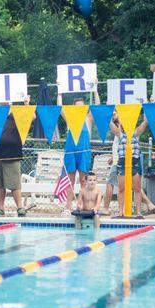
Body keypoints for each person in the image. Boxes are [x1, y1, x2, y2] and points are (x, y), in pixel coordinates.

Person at [0, 96, 33, 217]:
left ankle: (20, 207)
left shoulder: (16, 115)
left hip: (12, 154)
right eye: (3, 100)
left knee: (15, 184)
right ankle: (0, 208)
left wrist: (26, 104)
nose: (5, 102)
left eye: (8, 101)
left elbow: (31, 117)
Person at [58, 83, 100, 214]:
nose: (80, 109)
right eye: (77, 107)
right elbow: (60, 108)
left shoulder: (88, 119)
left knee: (83, 180)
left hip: (84, 151)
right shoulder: (70, 119)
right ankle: (68, 206)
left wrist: (96, 89)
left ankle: (81, 205)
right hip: (71, 151)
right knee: (70, 180)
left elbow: (97, 107)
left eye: (82, 107)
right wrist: (60, 92)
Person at [109, 113, 148, 218]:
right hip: (122, 162)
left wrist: (145, 108)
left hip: (134, 162)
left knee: (137, 188)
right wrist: (109, 111)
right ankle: (120, 211)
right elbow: (110, 123)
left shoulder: (136, 133)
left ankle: (138, 212)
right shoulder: (120, 134)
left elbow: (145, 122)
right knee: (121, 188)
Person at [102, 121, 121, 215]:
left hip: (118, 163)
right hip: (117, 160)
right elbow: (119, 147)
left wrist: (108, 116)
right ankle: (149, 203)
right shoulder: (118, 134)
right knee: (132, 186)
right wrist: (113, 157)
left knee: (110, 183)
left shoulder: (120, 131)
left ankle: (106, 208)